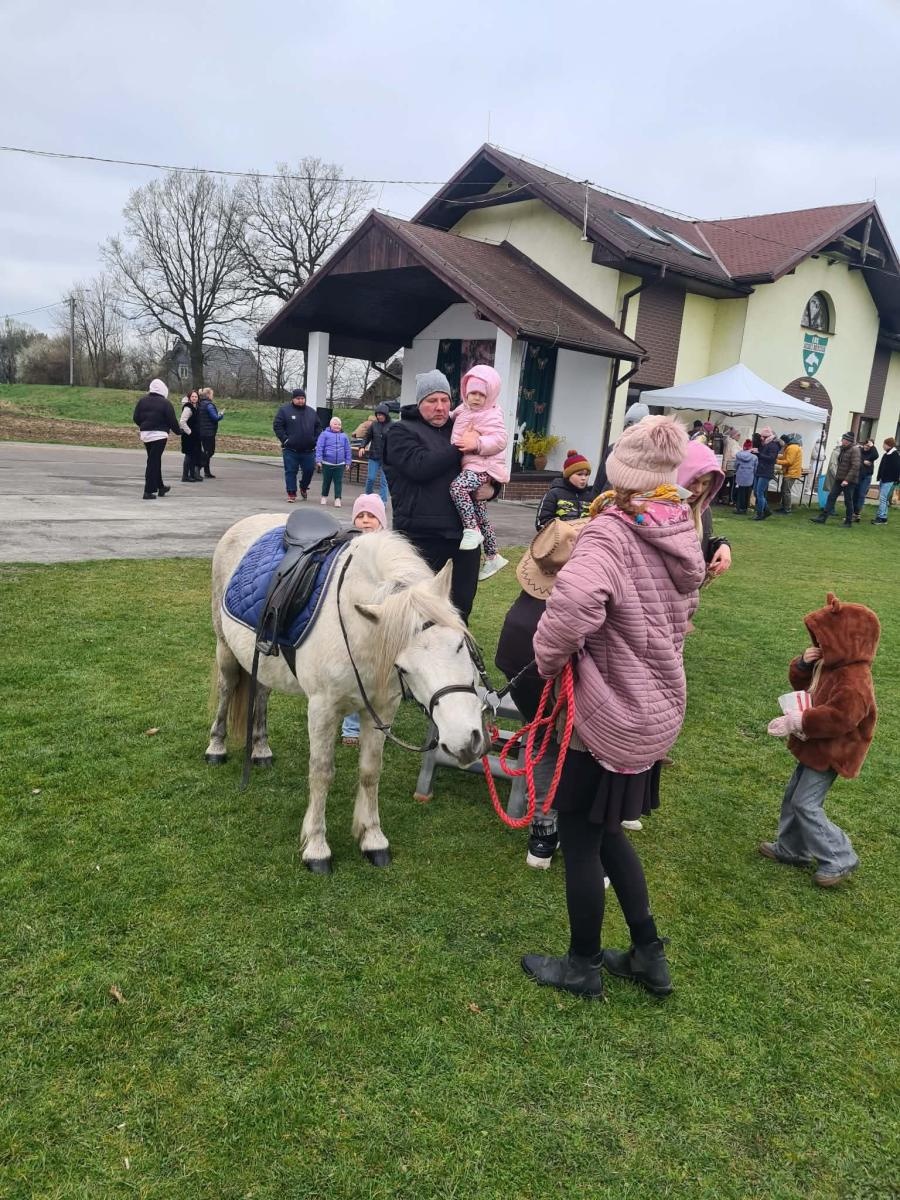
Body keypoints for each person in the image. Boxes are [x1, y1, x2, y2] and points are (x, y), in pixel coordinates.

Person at [521, 416, 705, 1000]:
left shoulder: (608, 532)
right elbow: (685, 614)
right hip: (654, 708)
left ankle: (583, 965)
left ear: (618, 469)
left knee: (580, 838)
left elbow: (573, 608)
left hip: (606, 714)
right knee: (604, 833)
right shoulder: (681, 525)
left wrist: (546, 660)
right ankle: (649, 954)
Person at [760, 592, 879, 887]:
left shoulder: (855, 679)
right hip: (816, 745)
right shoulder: (832, 664)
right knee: (794, 796)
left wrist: (799, 721)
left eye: (825, 639)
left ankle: (840, 855)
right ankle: (792, 848)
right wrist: (803, 664)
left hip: (834, 750)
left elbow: (842, 717)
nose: (820, 645)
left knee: (806, 803)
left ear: (846, 640)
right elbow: (805, 686)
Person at [382, 369, 483, 623]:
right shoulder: (400, 431)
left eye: (445, 400)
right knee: (419, 611)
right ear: (419, 402)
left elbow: (480, 467)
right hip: (421, 536)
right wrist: (460, 447)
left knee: (460, 608)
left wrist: (491, 489)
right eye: (432, 400)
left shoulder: (459, 429)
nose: (440, 407)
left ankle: (459, 647)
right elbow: (420, 467)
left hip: (464, 537)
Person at [449, 364, 510, 581]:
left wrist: (478, 443)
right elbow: (451, 417)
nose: (476, 398)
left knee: (458, 487)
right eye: (472, 393)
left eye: (481, 394)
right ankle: (493, 556)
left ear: (490, 396)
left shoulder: (491, 414)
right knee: (481, 513)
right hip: (471, 466)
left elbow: (500, 439)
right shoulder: (463, 410)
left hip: (484, 466)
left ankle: (471, 529)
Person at [341, 493, 388, 747]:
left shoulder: (388, 549)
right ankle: (350, 727)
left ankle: (378, 724)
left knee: (380, 679)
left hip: (381, 622)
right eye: (360, 516)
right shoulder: (349, 547)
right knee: (354, 675)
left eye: (371, 516)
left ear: (381, 520)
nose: (366, 520)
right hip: (355, 622)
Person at [676, 441, 732, 579]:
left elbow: (700, 544)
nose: (699, 489)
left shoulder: (704, 512)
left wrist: (721, 546)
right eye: (694, 481)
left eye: (706, 483)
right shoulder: (659, 512)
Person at [132, 378, 180, 500]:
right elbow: (172, 420)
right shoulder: (165, 403)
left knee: (154, 459)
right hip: (160, 435)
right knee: (153, 461)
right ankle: (148, 491)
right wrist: (179, 432)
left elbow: (136, 417)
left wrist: (144, 425)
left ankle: (160, 486)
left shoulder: (142, 401)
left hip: (146, 434)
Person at [273, 387, 321, 502]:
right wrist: (285, 440)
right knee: (290, 471)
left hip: (308, 450)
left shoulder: (311, 412)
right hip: (290, 449)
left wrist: (315, 440)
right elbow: (277, 426)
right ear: (293, 399)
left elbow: (318, 427)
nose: (300, 400)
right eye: (298, 398)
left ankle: (303, 487)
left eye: (302, 398)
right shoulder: (284, 411)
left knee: (309, 470)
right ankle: (291, 493)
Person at [591, 402, 649, 495]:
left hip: (635, 500)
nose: (632, 428)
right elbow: (599, 483)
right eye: (629, 424)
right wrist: (595, 501)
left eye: (637, 426)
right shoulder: (613, 449)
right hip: (610, 499)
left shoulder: (650, 454)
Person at [810, 432, 861, 527]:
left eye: (843, 439)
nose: (842, 441)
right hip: (839, 478)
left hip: (849, 481)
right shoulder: (843, 449)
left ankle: (848, 521)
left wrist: (847, 480)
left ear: (848, 441)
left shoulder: (855, 450)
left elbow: (855, 466)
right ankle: (822, 518)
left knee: (848, 501)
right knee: (831, 497)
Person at [535, 450, 593, 528]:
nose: (583, 478)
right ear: (568, 475)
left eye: (586, 475)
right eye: (579, 474)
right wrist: (562, 530)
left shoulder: (590, 496)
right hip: (559, 535)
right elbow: (541, 522)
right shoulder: (554, 494)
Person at [316, 416, 352, 508]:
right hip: (327, 463)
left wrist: (348, 462)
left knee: (338, 482)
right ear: (330, 425)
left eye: (339, 424)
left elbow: (348, 449)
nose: (337, 426)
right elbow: (319, 447)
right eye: (335, 424)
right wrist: (318, 459)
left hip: (340, 464)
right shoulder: (324, 434)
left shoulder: (344, 436)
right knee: (326, 481)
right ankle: (324, 496)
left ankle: (338, 499)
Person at [361, 403, 391, 503]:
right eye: (377, 415)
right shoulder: (374, 425)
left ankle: (383, 502)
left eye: (381, 415)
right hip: (374, 456)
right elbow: (367, 437)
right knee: (371, 478)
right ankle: (368, 497)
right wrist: (362, 446)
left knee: (384, 481)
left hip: (386, 458)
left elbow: (397, 440)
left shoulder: (392, 426)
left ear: (386, 415)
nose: (379, 417)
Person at [751, 426, 779, 519]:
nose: (761, 438)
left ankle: (760, 514)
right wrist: (756, 452)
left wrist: (759, 454)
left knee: (759, 493)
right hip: (760, 470)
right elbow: (762, 455)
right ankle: (766, 511)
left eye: (763, 436)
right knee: (756, 492)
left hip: (766, 471)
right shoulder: (765, 445)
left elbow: (771, 458)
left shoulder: (773, 446)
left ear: (767, 437)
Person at [196, 387, 225, 478]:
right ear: (208, 395)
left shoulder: (199, 403)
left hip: (200, 431)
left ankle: (207, 471)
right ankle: (198, 467)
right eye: (212, 394)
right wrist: (221, 415)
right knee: (209, 452)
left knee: (205, 451)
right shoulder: (209, 405)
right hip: (209, 432)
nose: (213, 396)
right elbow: (215, 418)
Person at [872, 436, 899, 524]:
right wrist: (879, 477)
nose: (883, 446)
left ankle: (882, 517)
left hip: (889, 480)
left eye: (884, 444)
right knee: (884, 499)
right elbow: (882, 467)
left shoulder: (894, 455)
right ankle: (883, 516)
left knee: (883, 498)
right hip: (883, 479)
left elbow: (896, 469)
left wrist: (894, 480)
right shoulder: (887, 454)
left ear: (888, 445)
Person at [179, 390, 204, 483]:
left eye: (196, 397)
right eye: (192, 396)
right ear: (189, 398)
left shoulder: (196, 407)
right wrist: (189, 432)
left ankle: (192, 475)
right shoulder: (188, 408)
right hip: (189, 437)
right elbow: (182, 422)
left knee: (194, 456)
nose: (194, 398)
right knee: (189, 456)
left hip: (195, 436)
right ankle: (185, 476)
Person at [775, 433, 802, 514]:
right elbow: (785, 457)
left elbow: (789, 461)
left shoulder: (792, 448)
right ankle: (784, 507)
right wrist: (775, 456)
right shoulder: (791, 447)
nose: (780, 444)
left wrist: (776, 461)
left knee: (786, 491)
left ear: (784, 441)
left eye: (781, 442)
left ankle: (787, 509)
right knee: (784, 490)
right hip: (790, 472)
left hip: (791, 473)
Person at [854, 438, 879, 521]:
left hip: (866, 476)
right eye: (865, 445)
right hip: (858, 475)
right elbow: (856, 459)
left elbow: (876, 455)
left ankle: (857, 513)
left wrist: (872, 446)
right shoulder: (860, 451)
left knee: (861, 494)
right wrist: (863, 462)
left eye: (868, 446)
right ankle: (853, 511)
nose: (866, 447)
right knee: (855, 493)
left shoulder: (872, 453)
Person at [733, 438, 756, 513]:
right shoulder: (754, 457)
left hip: (740, 476)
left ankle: (739, 508)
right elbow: (755, 468)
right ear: (751, 447)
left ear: (743, 447)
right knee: (747, 493)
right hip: (750, 477)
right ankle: (745, 508)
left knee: (740, 492)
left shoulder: (738, 455)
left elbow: (736, 465)